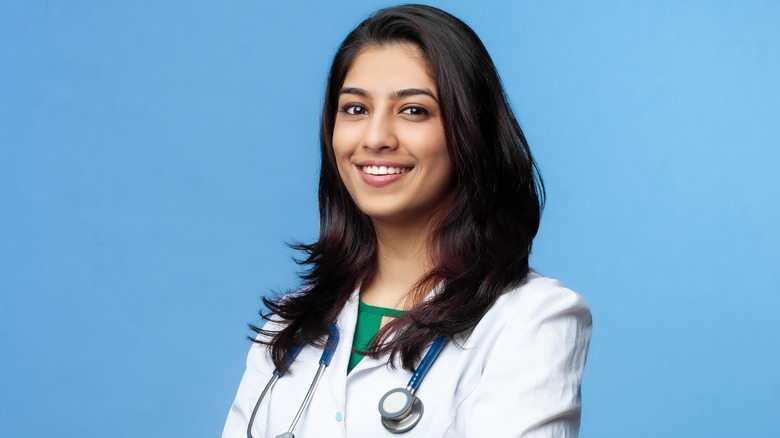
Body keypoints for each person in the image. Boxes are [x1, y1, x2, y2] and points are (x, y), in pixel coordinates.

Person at [223, 4, 592, 437]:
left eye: (413, 110)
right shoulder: (288, 325)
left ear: (470, 132)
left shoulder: (532, 319)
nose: (376, 137)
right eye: (355, 109)